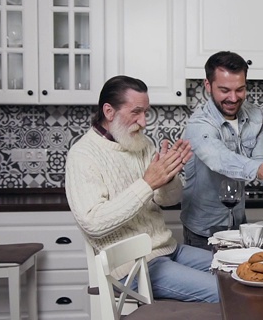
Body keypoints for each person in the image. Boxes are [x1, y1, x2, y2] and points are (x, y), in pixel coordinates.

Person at [65, 75, 219, 303]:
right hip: (130, 267)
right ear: (109, 112)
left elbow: (168, 200)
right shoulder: (83, 155)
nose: (144, 121)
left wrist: (168, 178)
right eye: (136, 112)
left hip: (168, 249)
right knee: (222, 292)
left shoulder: (142, 144)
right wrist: (147, 183)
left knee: (236, 272)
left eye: (145, 112)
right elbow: (93, 223)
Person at [181, 51, 263, 249]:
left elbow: (261, 160)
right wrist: (262, 169)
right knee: (208, 281)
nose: (233, 97)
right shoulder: (199, 124)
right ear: (208, 86)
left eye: (240, 89)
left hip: (238, 225)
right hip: (203, 230)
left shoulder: (257, 116)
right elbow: (219, 159)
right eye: (224, 90)